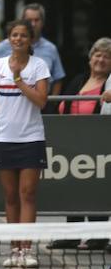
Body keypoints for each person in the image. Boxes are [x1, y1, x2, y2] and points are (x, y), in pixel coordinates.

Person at [0, 19, 50, 268]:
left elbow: (41, 100)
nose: (18, 39)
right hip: (5, 139)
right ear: (8, 39)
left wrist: (19, 82)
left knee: (27, 194)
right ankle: (14, 247)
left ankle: (27, 249)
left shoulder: (39, 66)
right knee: (10, 196)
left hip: (31, 138)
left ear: (30, 40)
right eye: (14, 35)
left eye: (23, 35)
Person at [48, 37, 111, 250]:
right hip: (72, 146)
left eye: (107, 56)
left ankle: (98, 235)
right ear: (90, 58)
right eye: (97, 55)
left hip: (99, 147)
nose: (101, 60)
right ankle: (72, 235)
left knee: (95, 190)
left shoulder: (109, 85)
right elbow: (62, 107)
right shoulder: (77, 80)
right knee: (72, 190)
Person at [0, 3, 65, 98]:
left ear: (43, 22)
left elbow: (58, 78)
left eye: (37, 20)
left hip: (41, 102)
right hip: (10, 100)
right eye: (29, 20)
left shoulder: (50, 48)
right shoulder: (9, 43)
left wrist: (53, 103)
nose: (33, 24)